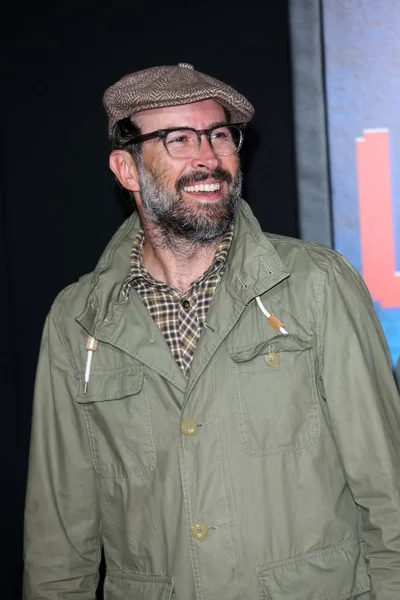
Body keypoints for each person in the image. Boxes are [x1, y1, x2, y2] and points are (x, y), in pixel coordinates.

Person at [23, 62, 400, 600]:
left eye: (219, 135)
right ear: (126, 170)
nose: (208, 157)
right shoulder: (77, 320)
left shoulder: (316, 285)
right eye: (178, 139)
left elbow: (390, 499)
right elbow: (58, 544)